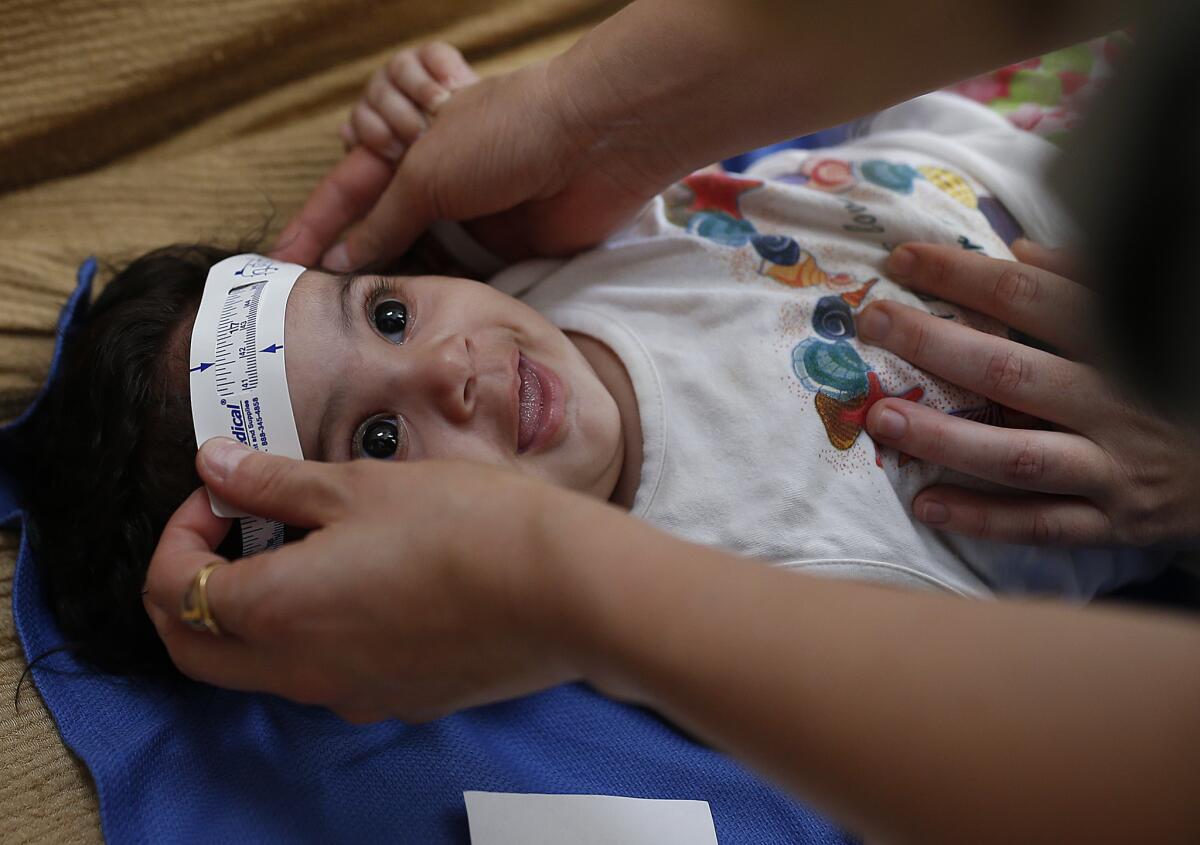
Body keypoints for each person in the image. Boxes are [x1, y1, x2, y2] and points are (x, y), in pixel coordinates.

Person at [143, 0, 1200, 841]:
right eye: (378, 440)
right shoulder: (779, 591)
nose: (449, 366)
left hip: (1034, 98)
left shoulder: (537, 271)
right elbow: (1025, 746)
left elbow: (482, 183)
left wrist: (450, 105)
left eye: (387, 312)